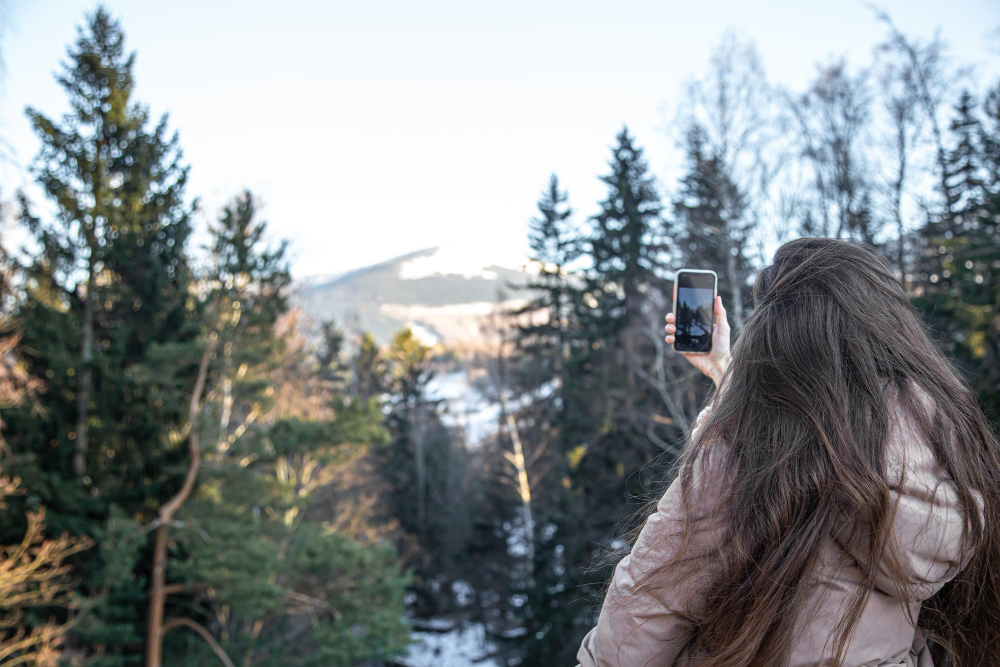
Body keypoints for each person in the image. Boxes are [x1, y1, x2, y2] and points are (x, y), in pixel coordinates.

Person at [576, 238, 998, 666]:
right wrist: (725, 372)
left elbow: (648, 606)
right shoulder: (948, 436)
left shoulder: (743, 455)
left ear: (779, 338)